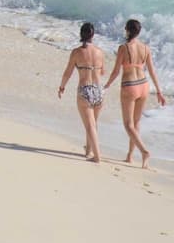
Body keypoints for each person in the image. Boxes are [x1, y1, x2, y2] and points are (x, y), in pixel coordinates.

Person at [103, 19, 166, 168]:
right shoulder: (145, 48)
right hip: (144, 85)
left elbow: (116, 71)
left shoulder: (123, 48)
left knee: (128, 124)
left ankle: (144, 151)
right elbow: (152, 71)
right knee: (136, 123)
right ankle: (130, 156)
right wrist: (159, 91)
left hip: (130, 86)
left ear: (127, 30)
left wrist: (106, 85)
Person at [58, 22, 106, 162]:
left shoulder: (77, 52)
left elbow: (68, 73)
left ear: (81, 34)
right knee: (93, 123)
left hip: (85, 89)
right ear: (93, 35)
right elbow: (103, 72)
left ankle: (97, 156)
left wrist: (62, 87)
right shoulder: (100, 52)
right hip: (99, 90)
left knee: (90, 125)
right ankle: (88, 151)